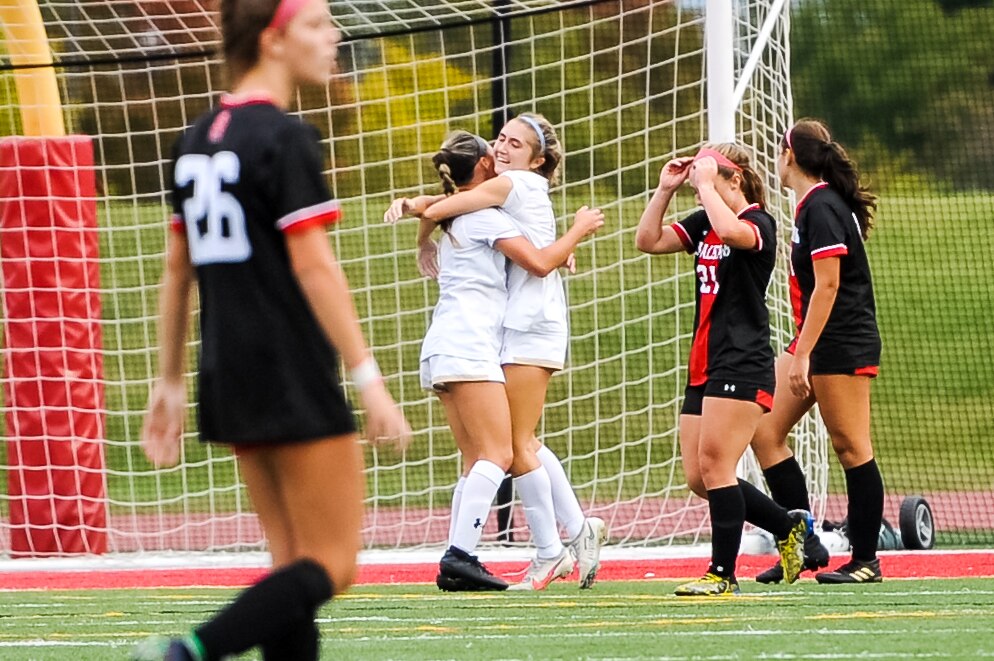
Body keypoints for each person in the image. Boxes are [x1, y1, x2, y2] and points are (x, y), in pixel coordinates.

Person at [132, 1, 411, 659]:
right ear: (274, 39)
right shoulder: (285, 139)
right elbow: (314, 266)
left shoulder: (196, 136)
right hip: (291, 368)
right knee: (333, 564)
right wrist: (369, 379)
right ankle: (190, 650)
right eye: (317, 24)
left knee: (290, 563)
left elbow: (178, 271)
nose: (333, 35)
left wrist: (169, 379)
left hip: (227, 371)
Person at [392, 113, 609, 590]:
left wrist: (418, 218)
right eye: (500, 140)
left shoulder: (506, 191)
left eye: (515, 142)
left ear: (538, 159)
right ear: (486, 162)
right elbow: (530, 255)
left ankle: (557, 543)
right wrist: (572, 235)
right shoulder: (493, 204)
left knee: (508, 447)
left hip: (517, 329)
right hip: (488, 335)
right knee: (510, 446)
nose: (504, 147)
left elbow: (448, 207)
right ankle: (560, 539)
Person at [634, 144, 811, 596]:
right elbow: (648, 241)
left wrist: (709, 182)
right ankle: (787, 526)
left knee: (717, 466)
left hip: (742, 361)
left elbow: (732, 230)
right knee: (700, 477)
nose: (700, 186)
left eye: (712, 176)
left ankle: (722, 573)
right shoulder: (706, 225)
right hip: (703, 364)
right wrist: (665, 189)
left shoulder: (758, 225)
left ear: (735, 180)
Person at [751, 118, 884, 585]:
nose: (775, 158)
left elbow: (828, 287)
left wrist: (803, 353)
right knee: (764, 431)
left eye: (779, 149)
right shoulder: (812, 205)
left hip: (840, 342)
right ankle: (804, 542)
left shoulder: (822, 206)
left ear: (791, 156)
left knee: (851, 447)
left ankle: (866, 560)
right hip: (815, 340)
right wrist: (803, 348)